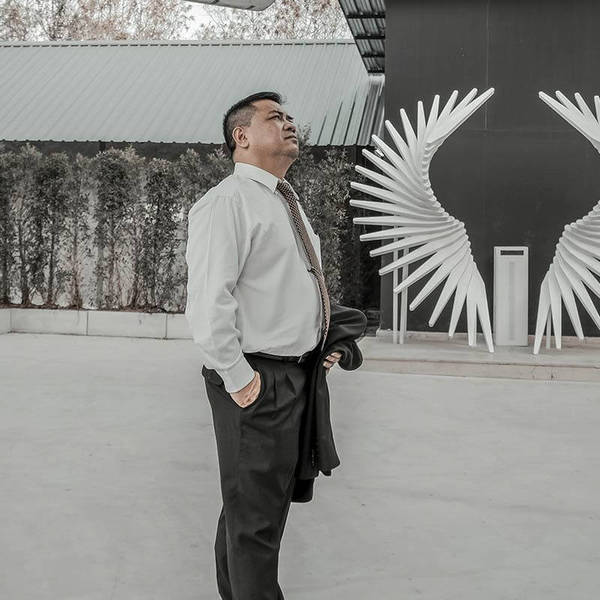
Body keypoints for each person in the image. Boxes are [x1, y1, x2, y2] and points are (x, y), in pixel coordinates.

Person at [184, 90, 342, 600]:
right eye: (275, 117)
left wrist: (319, 342)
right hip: (258, 381)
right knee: (255, 523)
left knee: (250, 511)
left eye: (290, 117)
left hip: (292, 377)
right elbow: (209, 304)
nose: (290, 123)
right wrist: (241, 381)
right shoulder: (227, 202)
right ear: (242, 136)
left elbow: (288, 289)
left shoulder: (283, 200)